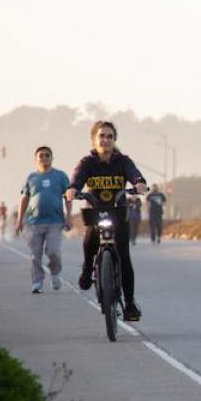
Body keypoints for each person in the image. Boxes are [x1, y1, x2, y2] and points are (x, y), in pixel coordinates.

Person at [66, 120, 147, 321]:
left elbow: (135, 174)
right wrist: (73, 189)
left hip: (119, 212)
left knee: (124, 256)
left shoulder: (122, 161)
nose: (106, 140)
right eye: (101, 136)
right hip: (96, 211)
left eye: (110, 136)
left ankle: (129, 304)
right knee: (90, 239)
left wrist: (139, 184)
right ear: (94, 139)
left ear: (114, 140)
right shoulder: (87, 163)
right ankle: (87, 269)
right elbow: (77, 179)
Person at [15, 146, 72, 293]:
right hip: (34, 222)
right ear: (36, 159)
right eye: (41, 155)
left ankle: (55, 274)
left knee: (53, 251)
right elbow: (24, 199)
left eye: (47, 155)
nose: (44, 158)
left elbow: (68, 197)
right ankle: (37, 282)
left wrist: (69, 216)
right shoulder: (31, 178)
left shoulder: (60, 176)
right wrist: (20, 219)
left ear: (52, 158)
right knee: (35, 255)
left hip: (55, 221)